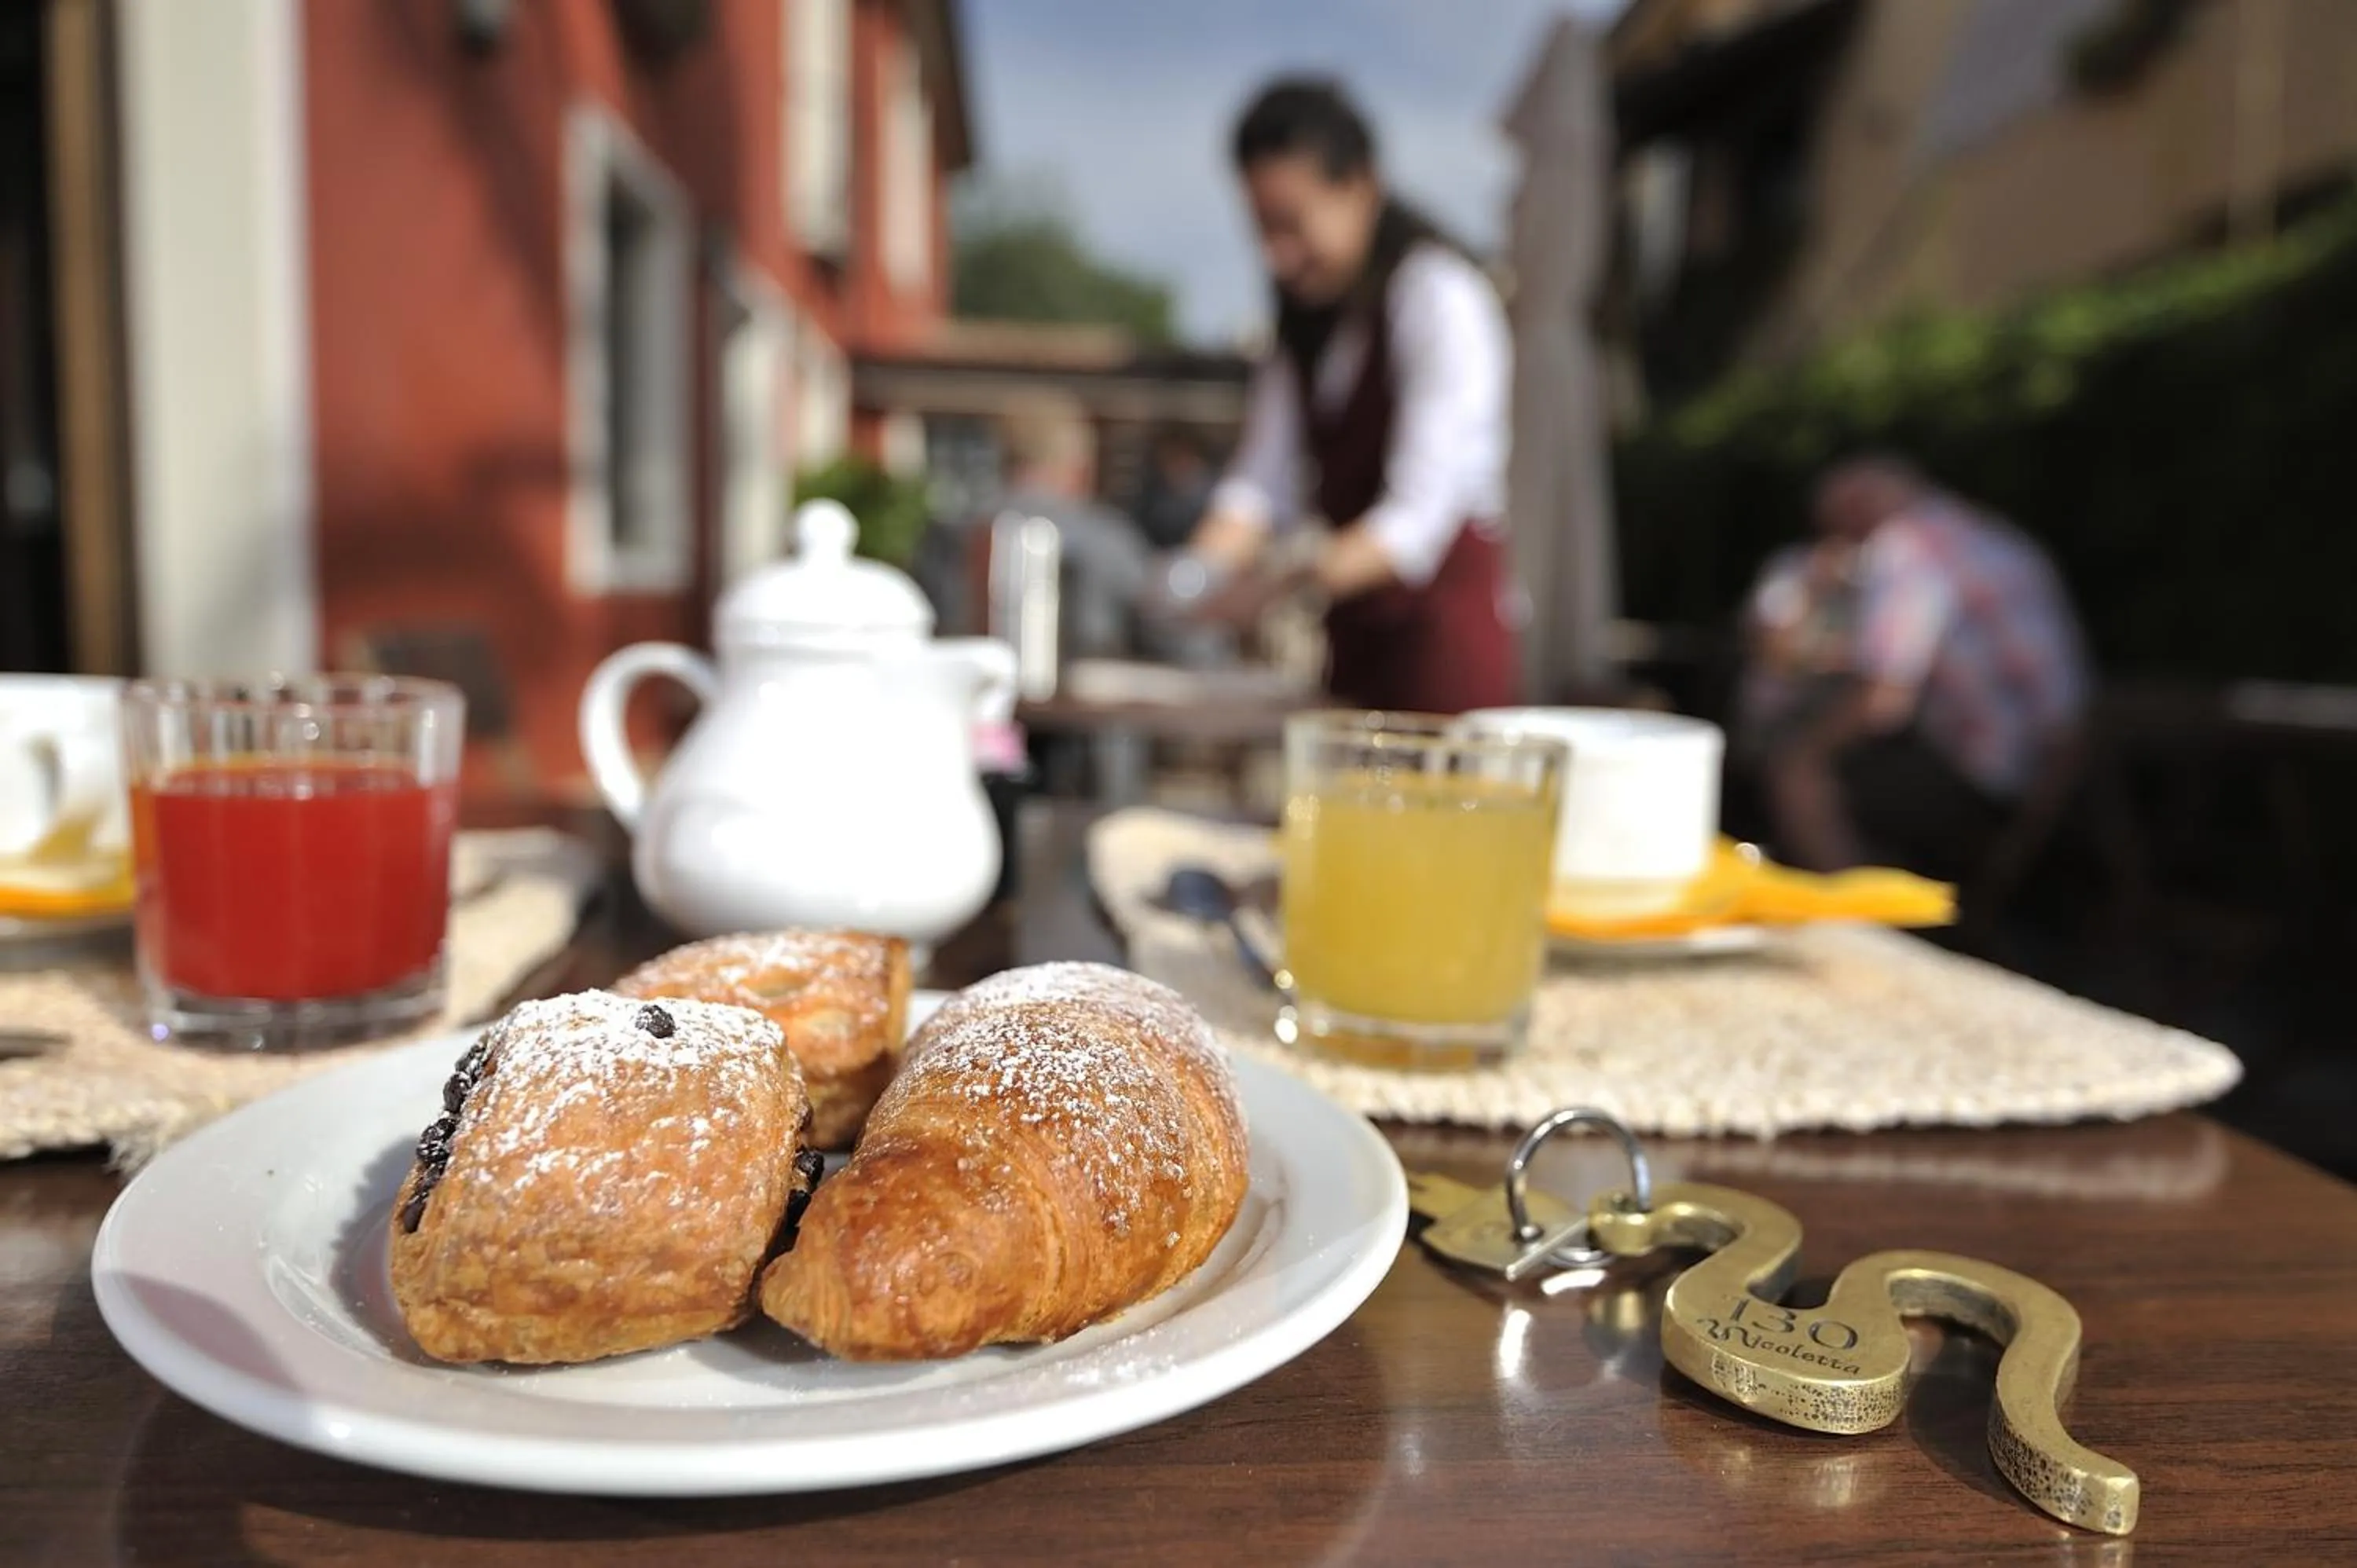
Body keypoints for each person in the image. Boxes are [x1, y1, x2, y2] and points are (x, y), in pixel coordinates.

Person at [1161, 78, 1519, 713]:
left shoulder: (1440, 298)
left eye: (1291, 224)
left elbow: (1414, 524)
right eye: (1262, 230)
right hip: (1354, 657)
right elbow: (1258, 486)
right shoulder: (1303, 329)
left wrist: (1275, 583)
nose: (1277, 256)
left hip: (1442, 654)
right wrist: (1187, 583)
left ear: (1360, 187)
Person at [1737, 456, 2091, 878]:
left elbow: (1884, 698)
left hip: (1988, 776)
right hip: (2060, 768)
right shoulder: (1985, 535)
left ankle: (1860, 912)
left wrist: (1808, 748)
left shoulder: (1907, 550)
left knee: (1797, 771)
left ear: (1856, 512)